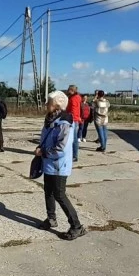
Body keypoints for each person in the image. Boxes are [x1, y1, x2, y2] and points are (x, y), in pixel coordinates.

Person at [35, 90, 87, 240]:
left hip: (59, 165)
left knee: (59, 194)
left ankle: (77, 226)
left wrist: (43, 152)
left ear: (57, 105)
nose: (46, 105)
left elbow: (61, 149)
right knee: (48, 192)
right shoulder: (50, 120)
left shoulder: (65, 124)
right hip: (49, 164)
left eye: (48, 102)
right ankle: (51, 219)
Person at [66, 85, 82, 162]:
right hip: (75, 119)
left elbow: (73, 110)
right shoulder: (77, 97)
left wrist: (69, 118)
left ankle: (74, 155)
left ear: (72, 90)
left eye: (68, 89)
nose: (67, 90)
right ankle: (73, 154)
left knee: (74, 138)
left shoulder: (73, 98)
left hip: (73, 120)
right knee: (73, 138)